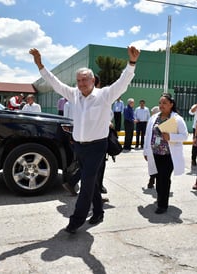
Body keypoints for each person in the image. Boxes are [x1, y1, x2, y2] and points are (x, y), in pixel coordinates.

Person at [29, 46, 140, 234]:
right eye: (78, 80)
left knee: (87, 184)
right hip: (79, 147)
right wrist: (40, 64)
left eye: (84, 80)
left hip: (97, 147)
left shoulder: (104, 95)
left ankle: (76, 221)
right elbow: (54, 82)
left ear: (92, 80)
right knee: (92, 183)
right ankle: (98, 211)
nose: (80, 83)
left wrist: (132, 63)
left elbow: (123, 82)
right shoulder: (74, 95)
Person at [143, 93, 188, 214]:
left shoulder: (177, 119)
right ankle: (160, 197)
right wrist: (146, 151)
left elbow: (185, 136)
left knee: (164, 178)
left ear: (171, 105)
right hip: (155, 154)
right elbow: (148, 135)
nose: (161, 105)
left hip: (169, 155)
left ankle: (163, 205)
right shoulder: (154, 118)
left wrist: (171, 137)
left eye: (164, 103)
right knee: (158, 177)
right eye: (160, 103)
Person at [147, 106, 160, 189]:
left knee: (157, 165)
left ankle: (153, 180)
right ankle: (152, 179)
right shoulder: (151, 120)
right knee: (152, 164)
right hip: (152, 145)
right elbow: (147, 135)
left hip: (160, 146)